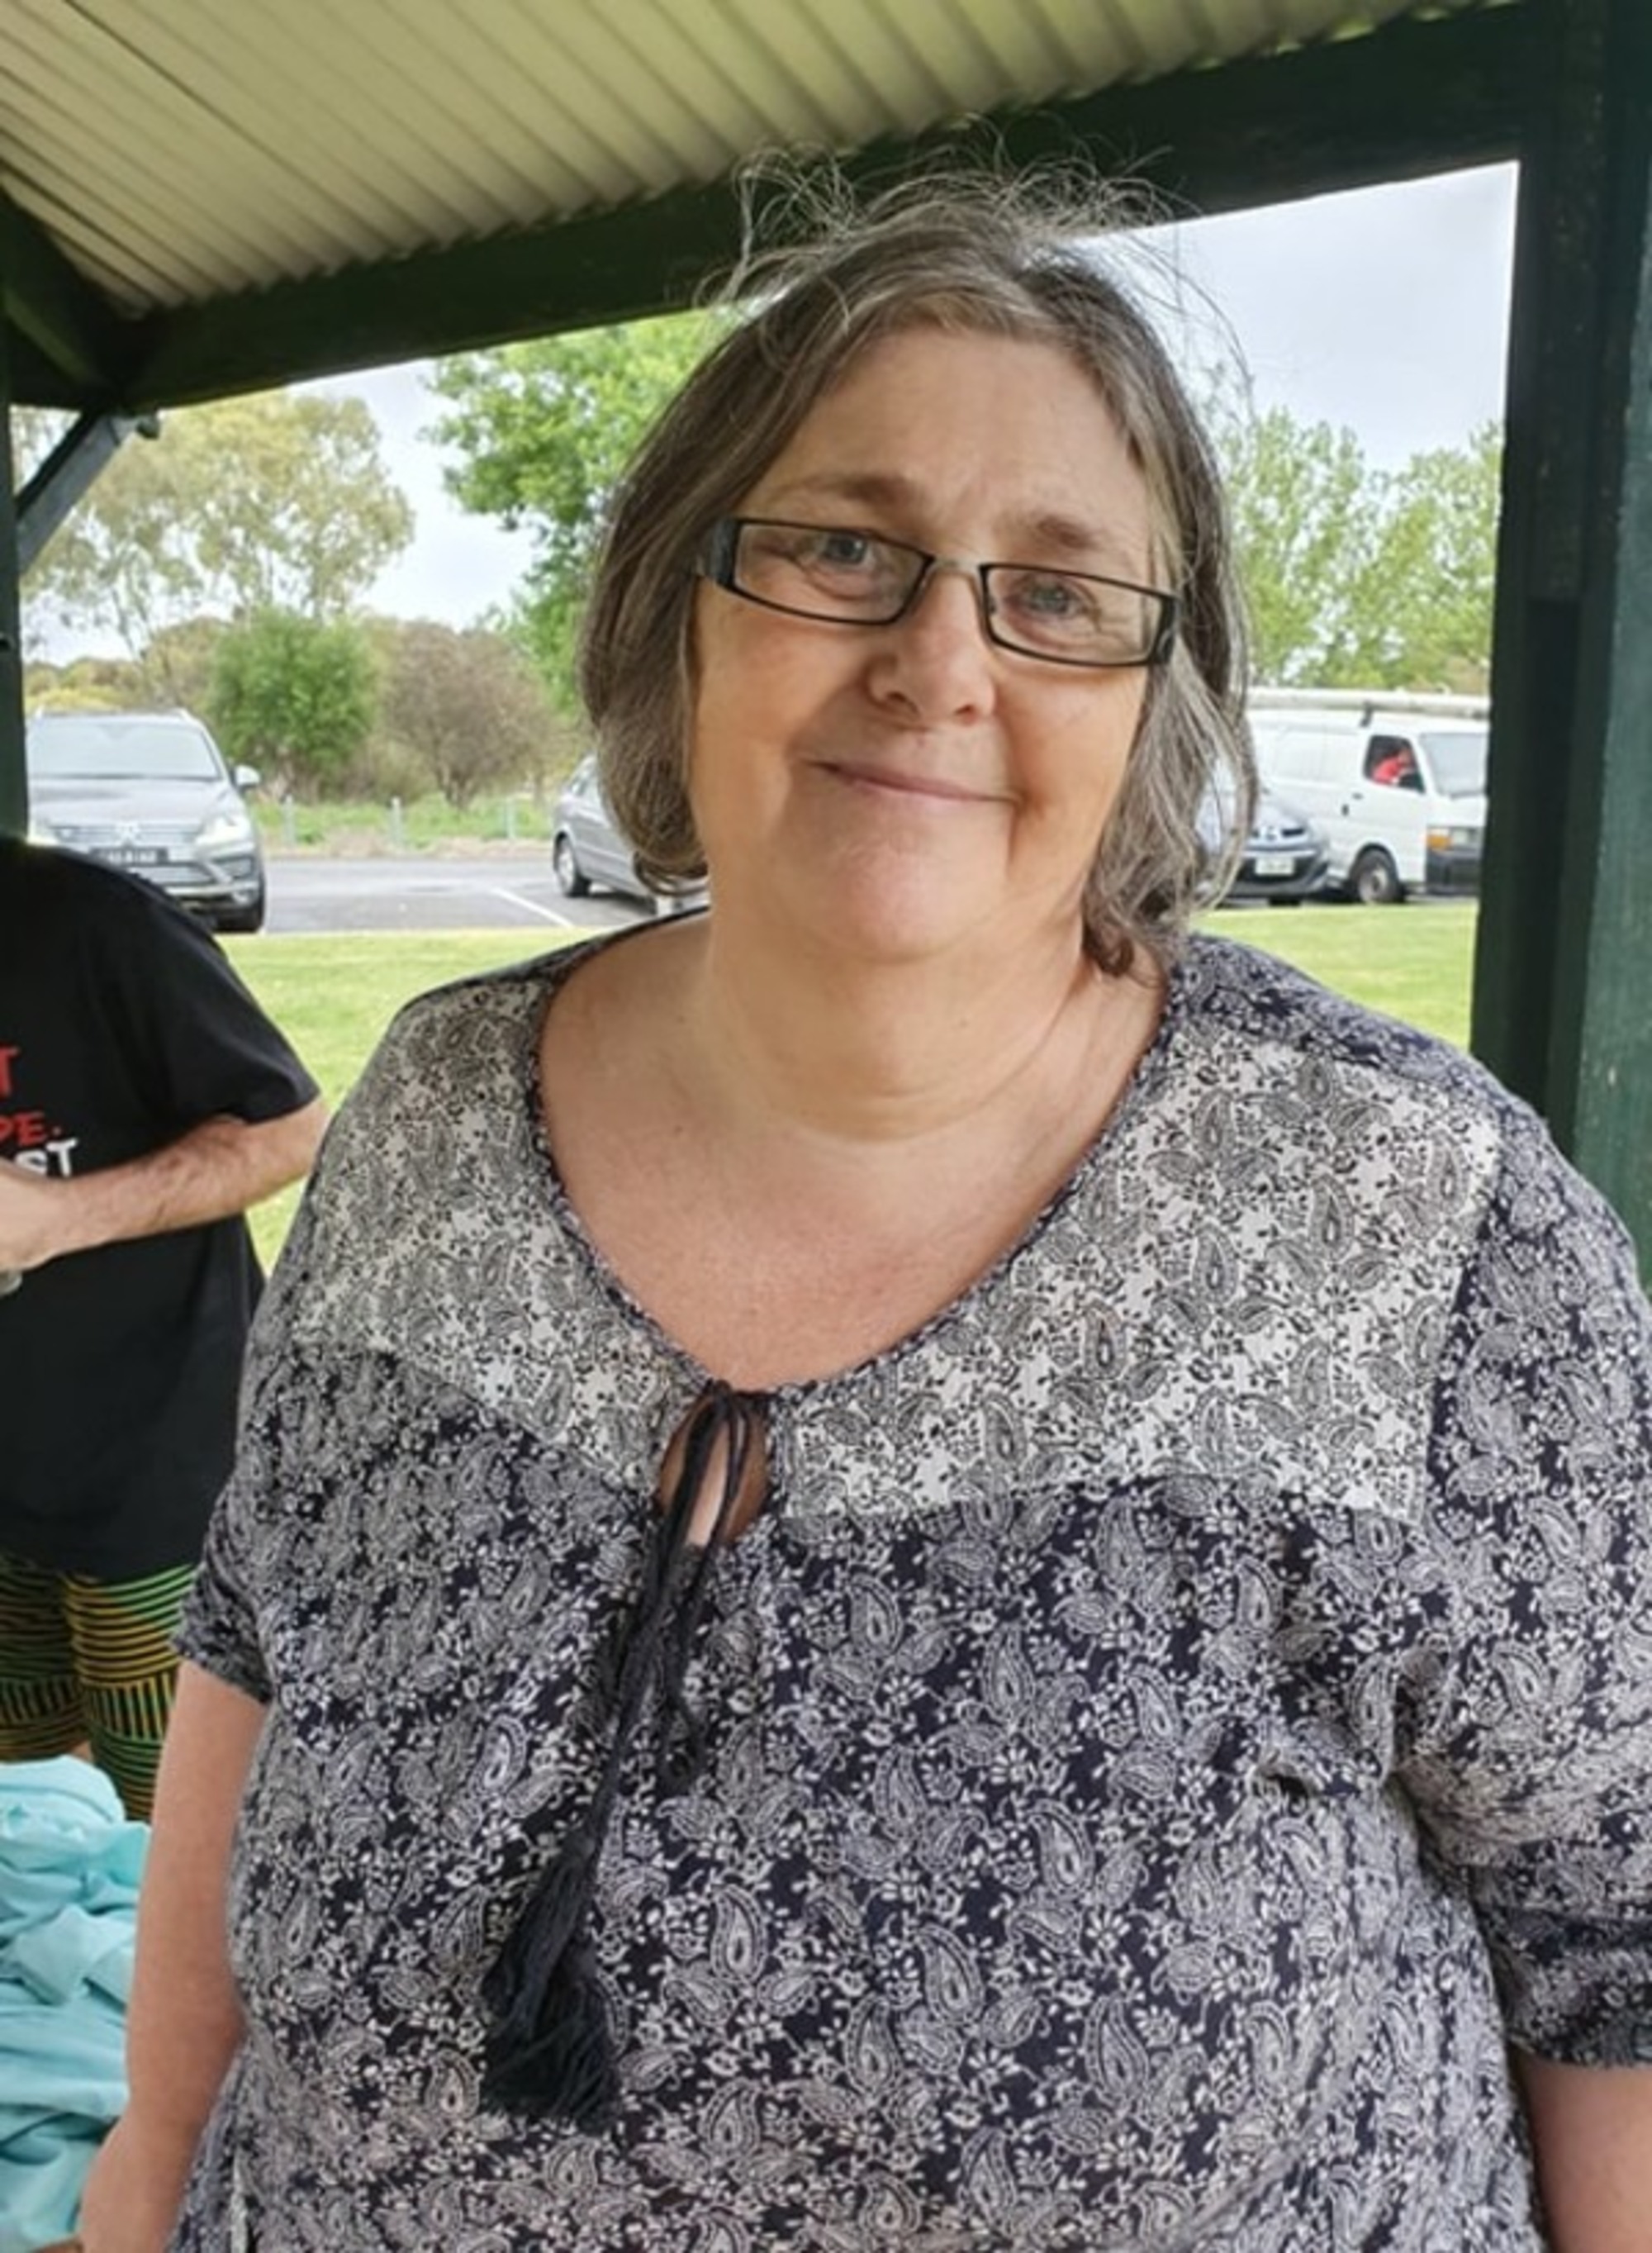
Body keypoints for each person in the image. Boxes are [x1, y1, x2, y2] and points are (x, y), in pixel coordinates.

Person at [84, 171, 1651, 2253]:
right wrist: (141, 2174)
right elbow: (256, 1649)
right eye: (843, 546)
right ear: (682, 603)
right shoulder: (438, 1109)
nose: (937, 659)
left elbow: (1617, 1947)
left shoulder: (1422, 1223)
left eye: (1058, 591)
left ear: (1152, 697)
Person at [0, 839, 325, 1820]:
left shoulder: (94, 923)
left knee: (170, 1813)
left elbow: (290, 1131)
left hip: (152, 1484)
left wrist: (58, 1218)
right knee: (29, 1812)